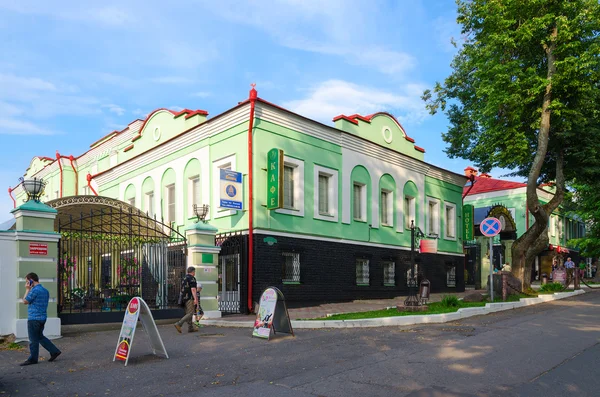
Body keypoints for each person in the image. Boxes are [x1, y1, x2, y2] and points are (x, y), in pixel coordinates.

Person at [20, 272, 61, 366]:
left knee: (33, 339)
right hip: (42, 318)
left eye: (27, 281)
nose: (26, 284)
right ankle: (54, 351)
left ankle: (33, 359)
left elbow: (25, 301)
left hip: (34, 318)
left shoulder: (34, 290)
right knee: (39, 337)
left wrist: (27, 289)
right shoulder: (45, 290)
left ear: (31, 281)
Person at [174, 267, 199, 333]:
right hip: (189, 298)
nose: (195, 273)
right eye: (194, 272)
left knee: (188, 313)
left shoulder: (184, 278)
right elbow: (193, 289)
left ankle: (190, 328)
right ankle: (179, 324)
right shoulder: (192, 278)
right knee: (190, 313)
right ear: (193, 272)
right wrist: (195, 299)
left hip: (183, 298)